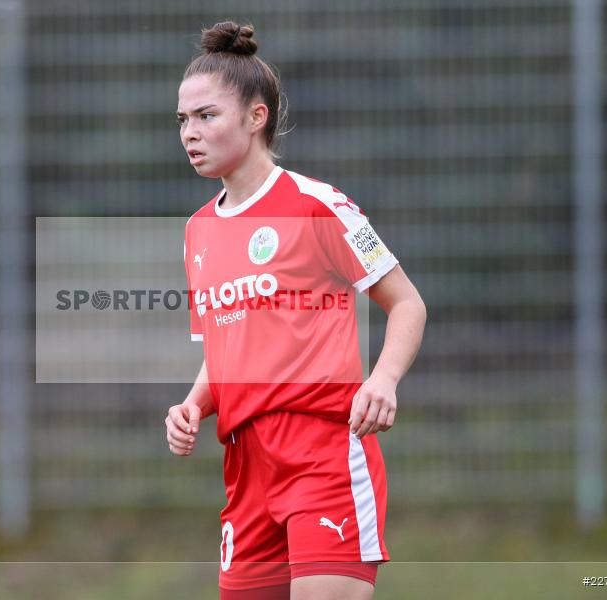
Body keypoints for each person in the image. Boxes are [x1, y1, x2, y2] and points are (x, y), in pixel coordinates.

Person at [165, 21, 426, 600]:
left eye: (207, 115)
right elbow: (227, 351)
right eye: (182, 119)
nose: (190, 133)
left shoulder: (317, 205)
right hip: (246, 468)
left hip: (321, 455)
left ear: (256, 117)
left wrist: (383, 380)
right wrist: (193, 406)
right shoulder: (198, 231)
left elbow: (407, 303)